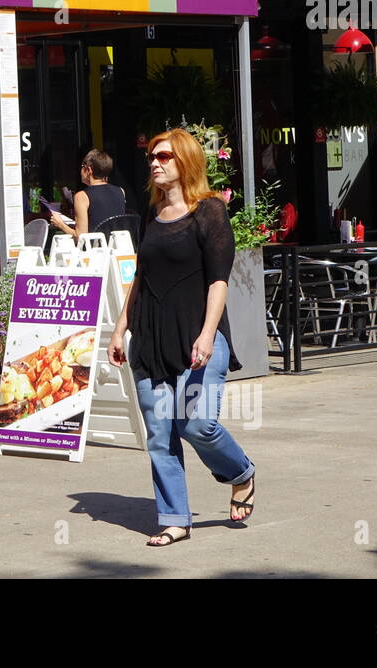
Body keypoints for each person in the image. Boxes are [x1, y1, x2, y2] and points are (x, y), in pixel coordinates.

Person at [108, 128, 256, 547]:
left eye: (165, 157)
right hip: (150, 339)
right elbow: (140, 277)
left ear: (186, 162)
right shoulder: (150, 219)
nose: (155, 163)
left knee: (196, 424)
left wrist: (208, 335)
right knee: (159, 434)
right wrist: (120, 328)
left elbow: (219, 281)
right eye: (152, 157)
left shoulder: (208, 211)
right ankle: (174, 518)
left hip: (197, 338)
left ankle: (240, 473)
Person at [49, 148, 127, 239]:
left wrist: (60, 224)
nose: (80, 170)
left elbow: (81, 237)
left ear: (89, 170)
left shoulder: (82, 196)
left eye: (82, 166)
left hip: (95, 249)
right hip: (117, 247)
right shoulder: (121, 191)